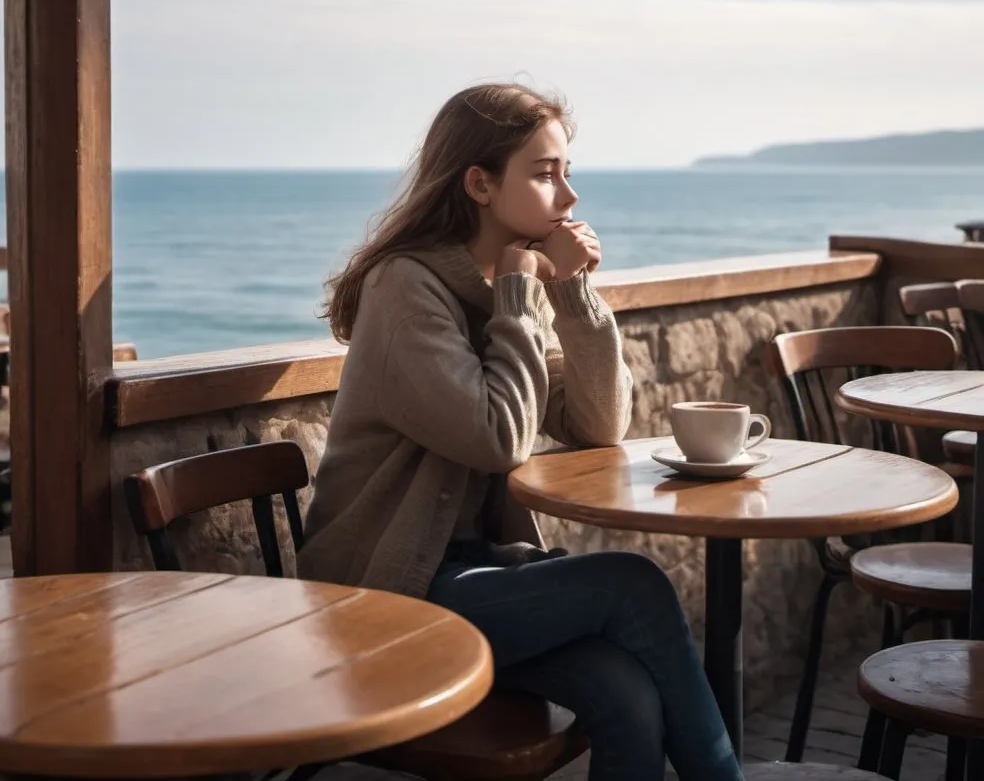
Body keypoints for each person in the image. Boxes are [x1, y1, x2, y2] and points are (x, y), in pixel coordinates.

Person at [296, 82, 743, 781]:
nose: (568, 198)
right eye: (544, 173)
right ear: (478, 183)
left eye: (567, 172)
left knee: (625, 695)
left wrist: (570, 293)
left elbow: (600, 422)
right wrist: (517, 293)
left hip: (473, 578)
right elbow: (498, 438)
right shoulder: (405, 291)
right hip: (383, 597)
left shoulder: (497, 286)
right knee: (633, 585)